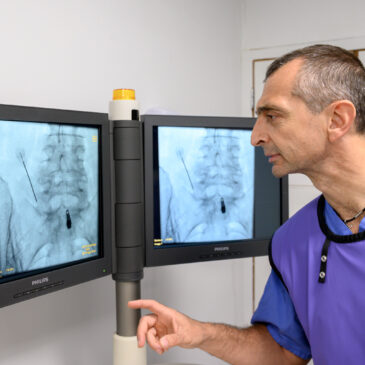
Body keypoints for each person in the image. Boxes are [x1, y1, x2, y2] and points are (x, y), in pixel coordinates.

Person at [129, 44, 365, 365]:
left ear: (337, 119)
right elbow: (282, 353)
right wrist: (200, 333)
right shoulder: (292, 241)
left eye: (272, 115)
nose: (255, 137)